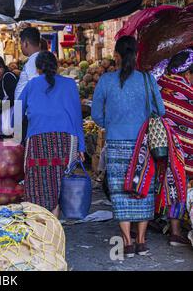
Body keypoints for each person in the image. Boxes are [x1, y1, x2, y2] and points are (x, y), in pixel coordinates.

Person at [92, 36, 166, 258]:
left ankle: (127, 242)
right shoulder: (147, 79)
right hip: (142, 145)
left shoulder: (105, 81)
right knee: (143, 189)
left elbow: (96, 114)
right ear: (135, 55)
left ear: (116, 55)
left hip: (115, 144)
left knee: (120, 191)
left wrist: (113, 125)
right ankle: (142, 241)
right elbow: (160, 110)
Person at [19, 51, 85, 218]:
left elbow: (16, 113)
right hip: (66, 140)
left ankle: (41, 226)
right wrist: (81, 147)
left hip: (38, 140)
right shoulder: (70, 84)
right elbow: (78, 117)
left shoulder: (32, 84)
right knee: (60, 183)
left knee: (37, 184)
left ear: (38, 68)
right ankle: (55, 225)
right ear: (56, 67)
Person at [156, 49, 193, 247]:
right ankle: (176, 231)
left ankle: (153, 222)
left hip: (158, 146)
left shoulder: (161, 83)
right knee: (178, 185)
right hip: (181, 150)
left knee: (164, 183)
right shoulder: (186, 90)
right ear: (187, 73)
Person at [15, 27, 41, 100]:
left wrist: (19, 110)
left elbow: (35, 87)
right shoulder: (37, 58)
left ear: (26, 43)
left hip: (25, 109)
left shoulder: (33, 61)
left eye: (21, 44)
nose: (21, 47)